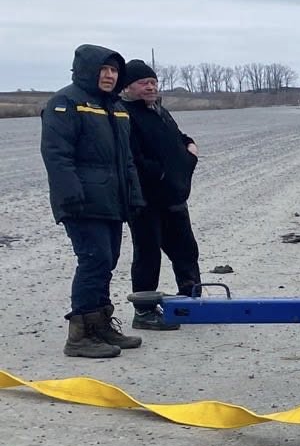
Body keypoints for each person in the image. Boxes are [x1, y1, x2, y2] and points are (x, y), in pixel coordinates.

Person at [39, 45, 145, 358]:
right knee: (94, 260)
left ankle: (100, 326)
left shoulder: (115, 107)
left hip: (111, 200)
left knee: (107, 261)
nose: (110, 75)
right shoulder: (66, 102)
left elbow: (126, 159)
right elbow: (56, 155)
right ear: (87, 70)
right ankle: (80, 336)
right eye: (103, 69)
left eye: (114, 70)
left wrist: (134, 194)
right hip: (82, 201)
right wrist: (70, 195)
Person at [119, 60, 203, 329]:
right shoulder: (125, 114)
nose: (150, 86)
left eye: (153, 82)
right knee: (148, 256)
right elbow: (133, 158)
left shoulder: (159, 110)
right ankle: (144, 312)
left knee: (186, 251)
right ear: (128, 87)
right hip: (145, 201)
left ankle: (191, 301)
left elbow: (177, 136)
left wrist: (189, 147)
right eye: (144, 82)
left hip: (174, 197)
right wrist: (164, 172)